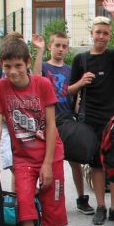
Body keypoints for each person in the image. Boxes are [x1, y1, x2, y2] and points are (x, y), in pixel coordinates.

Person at [0, 37, 67, 226]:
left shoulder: (42, 84)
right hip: (23, 158)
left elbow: (51, 125)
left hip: (50, 155)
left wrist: (47, 163)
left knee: (52, 209)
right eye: (7, 66)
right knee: (25, 207)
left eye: (18, 65)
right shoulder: (0, 87)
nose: (12, 72)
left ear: (28, 63)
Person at [68, 0, 114, 225]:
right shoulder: (80, 59)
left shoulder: (113, 57)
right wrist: (81, 82)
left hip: (112, 118)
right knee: (96, 164)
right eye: (98, 32)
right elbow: (69, 90)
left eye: (105, 33)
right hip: (90, 119)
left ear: (109, 36)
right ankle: (101, 206)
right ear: (91, 34)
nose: (101, 36)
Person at [33, 30, 94, 215]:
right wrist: (39, 51)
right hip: (48, 120)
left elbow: (74, 94)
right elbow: (35, 77)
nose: (60, 49)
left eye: (64, 46)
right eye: (57, 45)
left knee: (75, 160)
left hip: (67, 118)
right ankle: (42, 199)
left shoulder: (69, 69)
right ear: (50, 46)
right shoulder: (44, 66)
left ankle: (81, 198)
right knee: (46, 162)